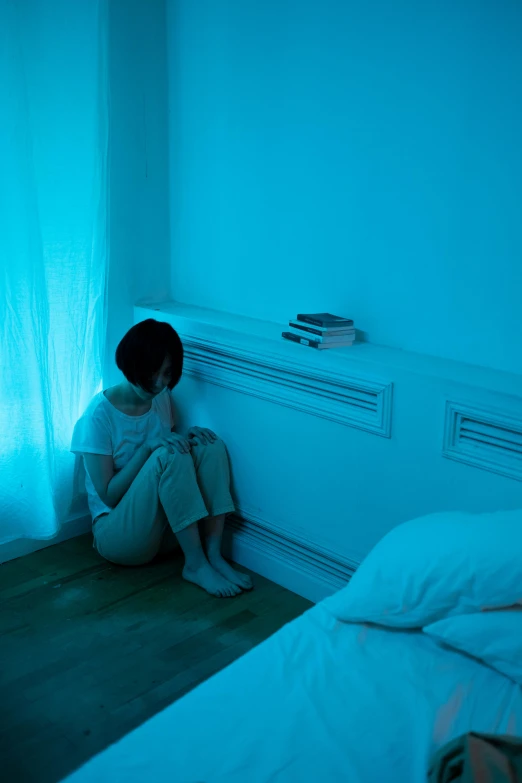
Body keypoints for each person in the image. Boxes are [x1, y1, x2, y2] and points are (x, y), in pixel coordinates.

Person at [71, 318, 252, 598]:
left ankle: (213, 554)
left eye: (166, 373)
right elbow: (109, 495)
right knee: (165, 454)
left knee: (210, 445)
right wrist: (148, 449)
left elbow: (172, 471)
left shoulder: (161, 399)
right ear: (130, 363)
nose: (158, 382)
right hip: (118, 536)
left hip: (164, 533)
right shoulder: (98, 417)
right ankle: (195, 565)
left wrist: (189, 437)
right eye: (151, 371)